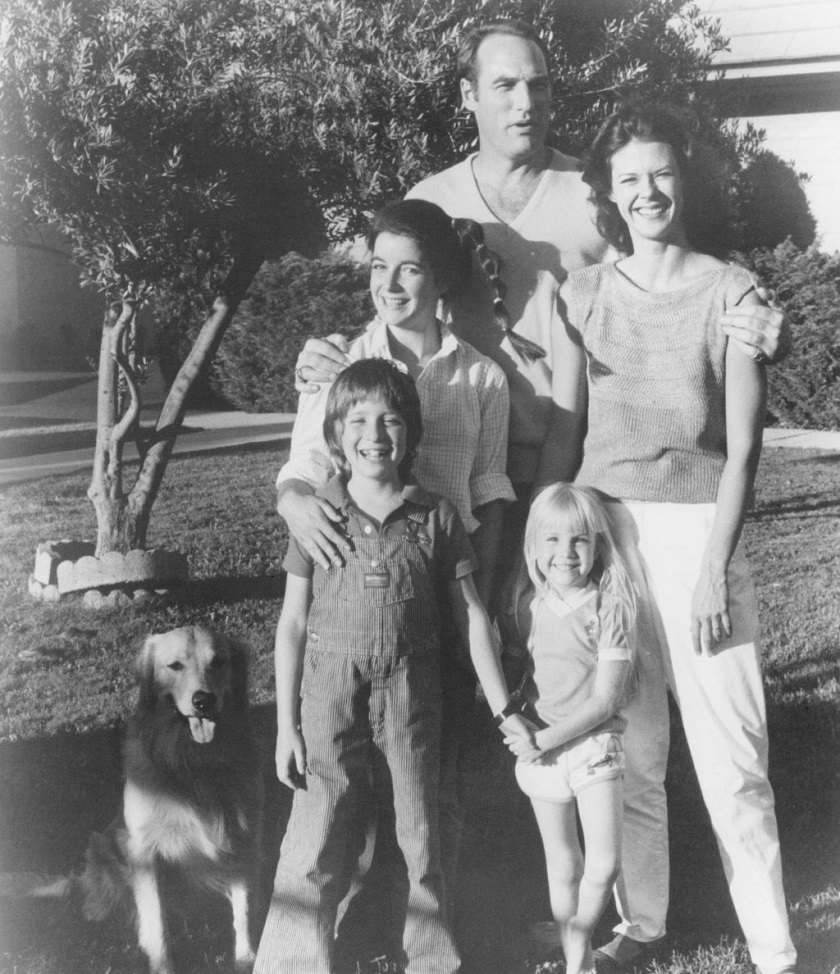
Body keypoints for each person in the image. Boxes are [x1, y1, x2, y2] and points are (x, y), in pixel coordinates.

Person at [288, 19, 787, 583]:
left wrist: (763, 321)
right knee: (456, 626)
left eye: (539, 84)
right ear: (469, 94)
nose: (527, 103)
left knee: (554, 631)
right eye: (505, 85)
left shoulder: (597, 194)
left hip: (570, 469)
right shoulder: (431, 198)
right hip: (452, 466)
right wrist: (324, 358)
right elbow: (401, 306)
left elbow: (677, 284)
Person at [538, 103, 797, 974]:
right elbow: (566, 432)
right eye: (629, 179)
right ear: (608, 194)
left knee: (733, 757)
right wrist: (543, 554)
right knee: (631, 747)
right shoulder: (582, 296)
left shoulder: (733, 293)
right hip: (605, 538)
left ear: (684, 180)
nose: (647, 191)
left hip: (698, 536)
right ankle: (642, 926)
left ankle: (775, 951)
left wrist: (714, 569)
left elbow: (744, 449)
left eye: (661, 173)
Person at [275, 200, 516, 923]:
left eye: (409, 269)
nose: (390, 284)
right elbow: (303, 466)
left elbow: (489, 489)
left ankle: (427, 929)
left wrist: (485, 600)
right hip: (350, 586)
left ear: (441, 278)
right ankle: (338, 931)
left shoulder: (483, 378)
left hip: (444, 584)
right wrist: (293, 503)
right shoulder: (339, 364)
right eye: (379, 267)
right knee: (339, 776)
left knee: (428, 781)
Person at [256, 359, 535, 974]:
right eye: (357, 420)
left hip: (413, 697)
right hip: (330, 699)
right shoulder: (316, 516)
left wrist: (504, 707)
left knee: (420, 835)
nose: (374, 434)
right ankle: (292, 963)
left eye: (390, 420)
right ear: (335, 433)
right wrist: (285, 727)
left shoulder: (434, 515)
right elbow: (292, 624)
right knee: (318, 833)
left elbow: (470, 616)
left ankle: (431, 960)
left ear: (411, 432)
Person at [503, 483, 638, 974]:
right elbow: (514, 672)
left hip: (592, 749)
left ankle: (578, 932)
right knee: (563, 865)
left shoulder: (609, 608)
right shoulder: (525, 607)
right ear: (534, 547)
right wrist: (515, 724)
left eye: (579, 539)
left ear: (598, 545)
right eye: (553, 539)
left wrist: (542, 741)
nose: (566, 552)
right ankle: (577, 964)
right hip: (541, 756)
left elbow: (606, 700)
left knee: (603, 865)